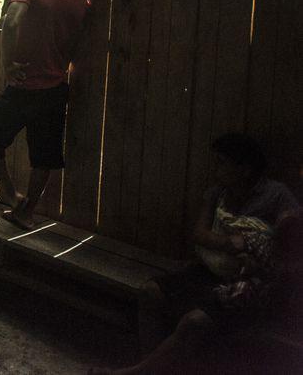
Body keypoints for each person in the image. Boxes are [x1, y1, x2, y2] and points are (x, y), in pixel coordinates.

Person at [91, 134, 300, 375]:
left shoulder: (275, 194)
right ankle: (151, 365)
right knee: (150, 292)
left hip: (245, 284)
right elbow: (199, 234)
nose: (216, 168)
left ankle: (135, 373)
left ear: (244, 169)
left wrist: (266, 239)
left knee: (194, 322)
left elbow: (290, 231)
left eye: (222, 162)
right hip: (210, 270)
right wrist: (229, 243)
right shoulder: (218, 193)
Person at [0, 0, 88, 230]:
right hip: (55, 88)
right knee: (45, 155)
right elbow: (77, 45)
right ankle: (27, 211)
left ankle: (13, 196)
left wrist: (7, 64)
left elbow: (11, 22)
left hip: (24, 86)